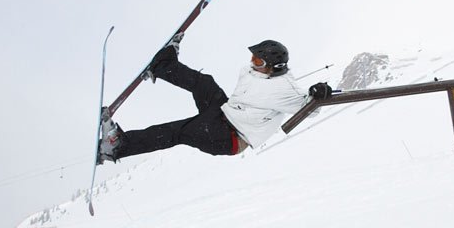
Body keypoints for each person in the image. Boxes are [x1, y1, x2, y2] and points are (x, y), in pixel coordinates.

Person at [98, 39, 333, 163]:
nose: (253, 63)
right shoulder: (251, 70)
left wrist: (318, 94)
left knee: (178, 131)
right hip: (224, 112)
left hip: (230, 137)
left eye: (259, 61)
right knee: (204, 83)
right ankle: (164, 66)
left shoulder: (285, 89)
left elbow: (308, 108)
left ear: (274, 67)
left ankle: (119, 146)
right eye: (253, 57)